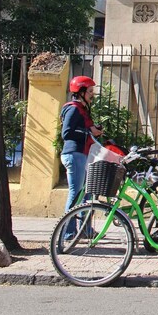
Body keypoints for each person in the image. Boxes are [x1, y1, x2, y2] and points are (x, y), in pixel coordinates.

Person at [60, 75, 103, 237]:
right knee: (76, 193)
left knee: (87, 194)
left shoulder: (82, 110)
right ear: (81, 92)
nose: (93, 94)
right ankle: (68, 233)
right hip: (74, 153)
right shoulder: (73, 108)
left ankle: (86, 229)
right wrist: (88, 131)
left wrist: (94, 130)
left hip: (82, 154)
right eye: (90, 91)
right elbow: (67, 132)